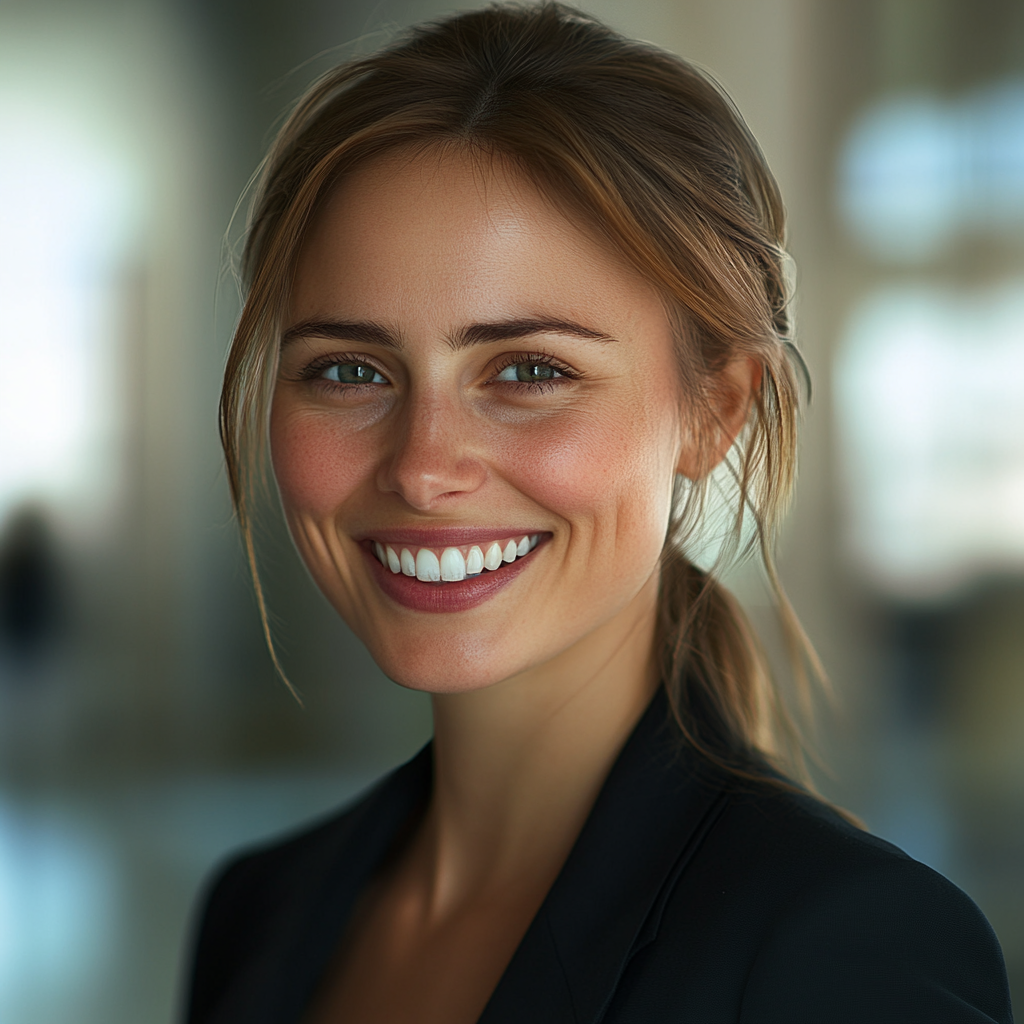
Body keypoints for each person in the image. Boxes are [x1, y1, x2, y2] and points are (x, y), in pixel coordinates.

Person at [185, 4, 1014, 1022]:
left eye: (529, 370)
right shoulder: (256, 907)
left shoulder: (843, 948)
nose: (422, 467)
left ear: (715, 408)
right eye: (350, 370)